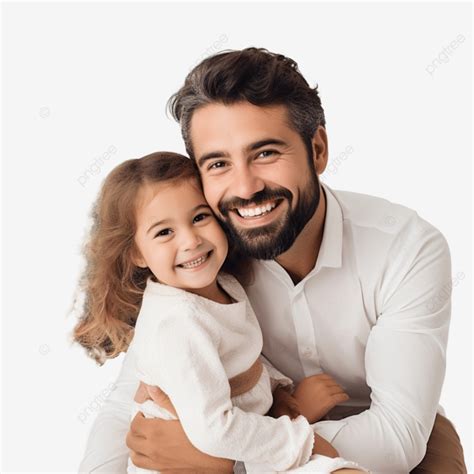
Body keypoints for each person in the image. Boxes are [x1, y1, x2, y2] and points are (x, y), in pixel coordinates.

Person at [78, 48, 467, 473]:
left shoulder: (406, 248)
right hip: (258, 427)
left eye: (265, 153)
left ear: (317, 149)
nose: (245, 188)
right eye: (219, 163)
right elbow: (126, 406)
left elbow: (397, 437)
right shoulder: (198, 254)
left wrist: (224, 464)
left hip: (378, 431)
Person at [74, 151, 368, 473]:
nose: (190, 241)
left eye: (199, 217)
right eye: (164, 232)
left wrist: (282, 393)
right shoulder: (178, 322)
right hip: (185, 460)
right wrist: (297, 438)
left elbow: (242, 358)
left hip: (238, 443)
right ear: (136, 253)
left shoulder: (224, 284)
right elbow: (214, 429)